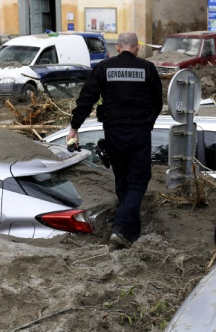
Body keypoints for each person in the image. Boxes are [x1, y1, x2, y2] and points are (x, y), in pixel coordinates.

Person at [67, 32, 163, 248]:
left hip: (114, 133)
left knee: (122, 180)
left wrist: (74, 127)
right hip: (139, 133)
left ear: (118, 48)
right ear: (137, 48)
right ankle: (120, 228)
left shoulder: (104, 67)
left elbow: (87, 98)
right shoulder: (147, 68)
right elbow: (157, 102)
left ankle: (131, 231)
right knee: (138, 181)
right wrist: (148, 124)